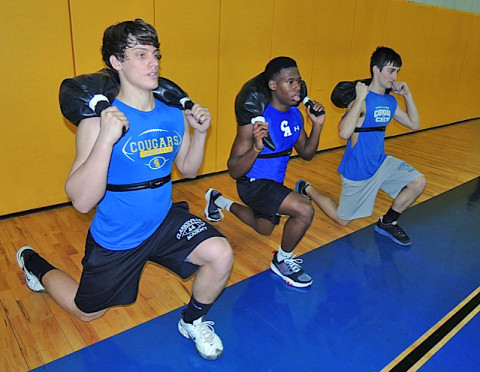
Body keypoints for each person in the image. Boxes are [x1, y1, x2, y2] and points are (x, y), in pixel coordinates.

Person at [16, 19, 233, 361]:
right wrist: (106, 137)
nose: (154, 63)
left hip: (163, 221)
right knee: (88, 311)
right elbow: (82, 200)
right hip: (119, 234)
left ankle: (192, 321)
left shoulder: (172, 114)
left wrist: (201, 133)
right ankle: (34, 264)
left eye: (156, 54)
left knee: (220, 253)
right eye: (140, 54)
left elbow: (188, 170)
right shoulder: (94, 122)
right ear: (116, 63)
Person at [205, 57, 325, 288]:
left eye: (298, 81)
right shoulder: (256, 119)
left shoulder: (296, 115)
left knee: (264, 228)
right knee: (303, 209)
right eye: (290, 82)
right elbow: (233, 168)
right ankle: (282, 261)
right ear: (273, 86)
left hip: (274, 184)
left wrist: (317, 125)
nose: (297, 87)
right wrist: (256, 147)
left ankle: (218, 200)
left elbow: (307, 153)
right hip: (252, 182)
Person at [296, 46, 426, 246]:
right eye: (391, 70)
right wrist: (359, 98)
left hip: (381, 163)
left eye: (397, 71)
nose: (395, 76)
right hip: (358, 169)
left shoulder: (389, 101)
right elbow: (344, 132)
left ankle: (388, 222)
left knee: (418, 182)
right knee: (343, 220)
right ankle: (308, 189)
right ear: (376, 70)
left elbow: (414, 124)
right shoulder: (361, 102)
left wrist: (407, 95)